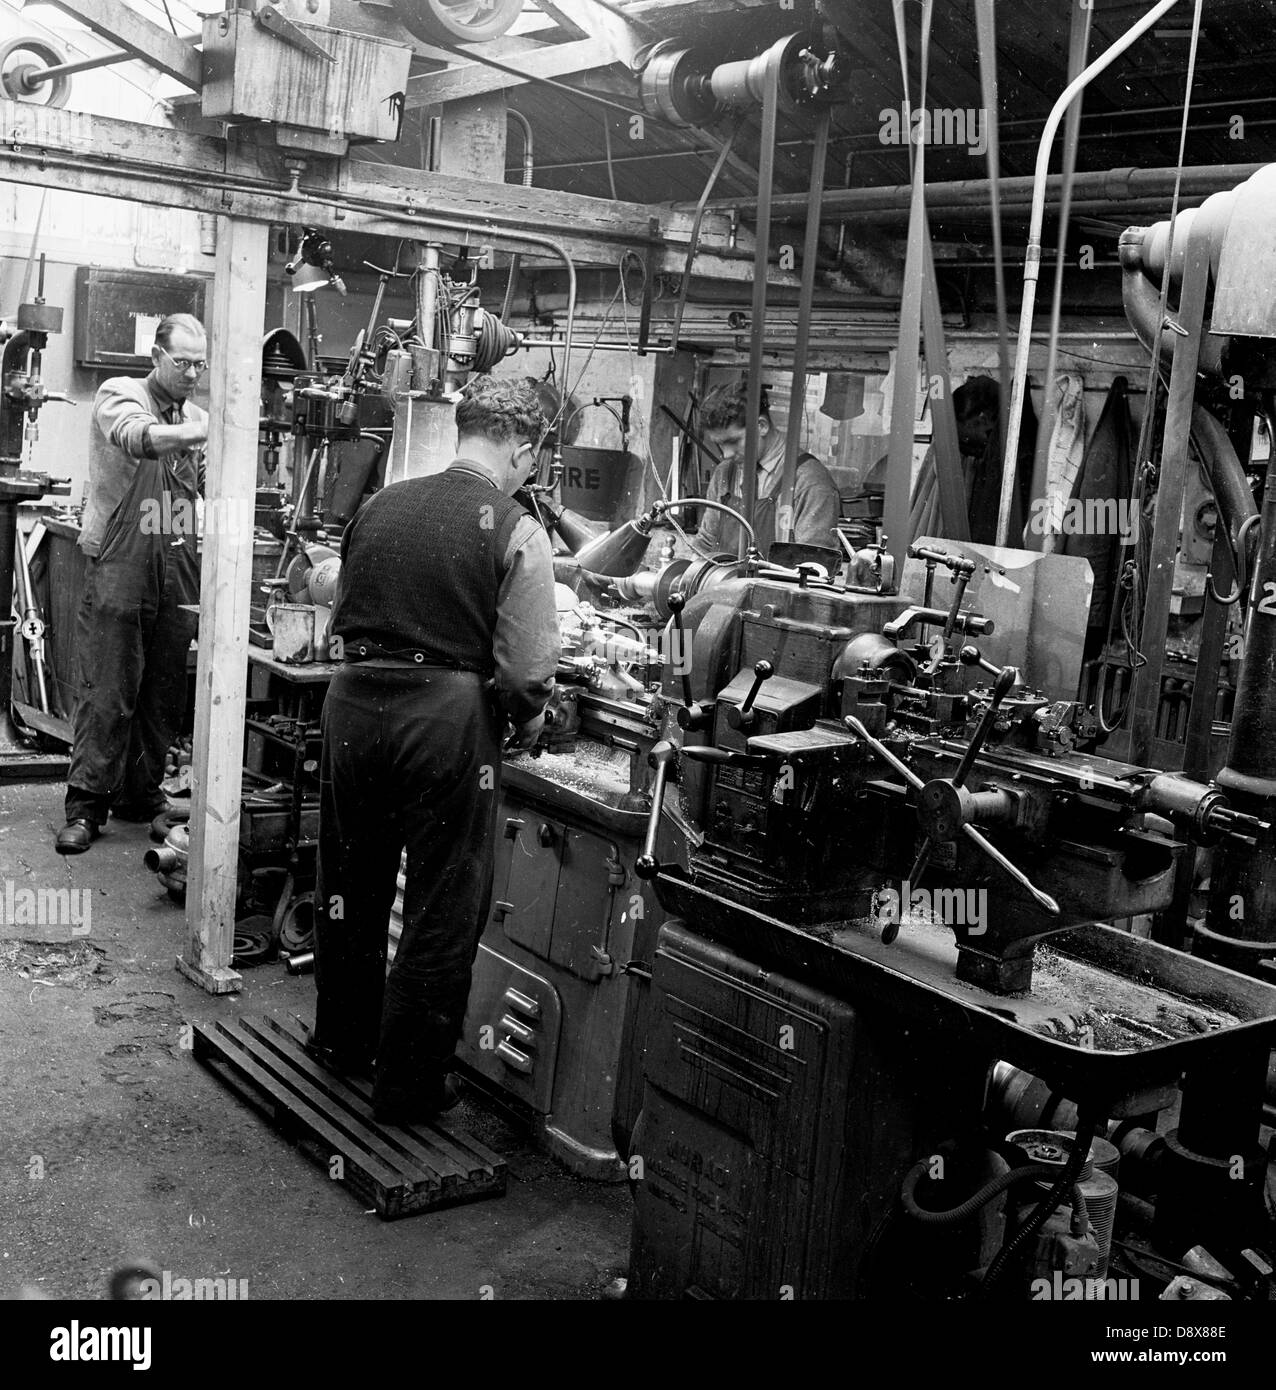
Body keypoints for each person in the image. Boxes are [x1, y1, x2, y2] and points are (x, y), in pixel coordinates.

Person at [310, 375, 560, 1124]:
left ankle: (342, 1045)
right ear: (518, 448)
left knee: (349, 883)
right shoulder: (515, 527)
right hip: (445, 717)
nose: (531, 473)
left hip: (350, 704)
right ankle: (410, 1087)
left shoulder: (380, 505)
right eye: (533, 459)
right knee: (439, 906)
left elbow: (345, 602)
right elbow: (524, 670)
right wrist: (530, 721)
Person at [56, 314, 208, 854]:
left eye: (200, 364)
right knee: (108, 686)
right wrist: (210, 428)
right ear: (156, 357)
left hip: (177, 561)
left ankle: (139, 797)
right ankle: (85, 807)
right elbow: (138, 439)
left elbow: (201, 494)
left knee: (162, 689)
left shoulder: (195, 416)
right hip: (122, 562)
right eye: (183, 362)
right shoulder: (120, 393)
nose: (193, 373)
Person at [695, 378, 841, 558]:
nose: (726, 454)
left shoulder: (810, 482)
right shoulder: (724, 473)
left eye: (732, 441)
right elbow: (705, 544)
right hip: (722, 585)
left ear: (761, 426)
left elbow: (813, 569)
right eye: (719, 445)